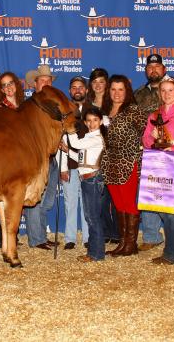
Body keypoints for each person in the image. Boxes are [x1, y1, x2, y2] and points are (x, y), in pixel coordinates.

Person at [134, 54, 174, 251]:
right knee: (153, 201)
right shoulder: (149, 108)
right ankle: (156, 238)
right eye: (164, 91)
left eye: (171, 90)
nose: (167, 94)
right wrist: (152, 137)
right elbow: (144, 136)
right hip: (154, 160)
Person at [100, 75, 148, 257]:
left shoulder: (133, 110)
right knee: (118, 205)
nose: (117, 93)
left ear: (127, 91)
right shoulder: (105, 110)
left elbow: (148, 133)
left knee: (129, 204)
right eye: (113, 89)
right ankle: (123, 242)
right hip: (110, 162)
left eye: (121, 89)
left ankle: (131, 244)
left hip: (128, 162)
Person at [23, 65, 59, 250]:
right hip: (36, 159)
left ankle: (41, 236)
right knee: (35, 199)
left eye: (48, 81)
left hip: (53, 159)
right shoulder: (29, 106)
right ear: (35, 84)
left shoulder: (55, 107)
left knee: (47, 201)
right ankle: (36, 239)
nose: (45, 84)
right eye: (42, 81)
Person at [64, 107, 106, 262]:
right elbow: (81, 157)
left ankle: (96, 254)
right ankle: (95, 252)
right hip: (88, 178)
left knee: (92, 217)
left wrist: (70, 127)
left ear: (100, 121)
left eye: (95, 120)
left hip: (92, 179)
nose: (92, 123)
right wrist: (67, 150)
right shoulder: (90, 137)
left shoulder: (96, 137)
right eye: (89, 120)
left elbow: (77, 144)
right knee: (91, 217)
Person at [0, 71, 25, 247]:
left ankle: (12, 237)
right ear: (1, 90)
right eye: (4, 85)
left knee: (16, 198)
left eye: (10, 83)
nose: (8, 87)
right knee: (6, 197)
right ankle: (3, 238)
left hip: (23, 158)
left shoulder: (26, 107)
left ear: (16, 84)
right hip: (6, 159)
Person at [86, 68, 119, 244]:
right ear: (91, 85)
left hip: (112, 155)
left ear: (107, 84)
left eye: (101, 82)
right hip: (92, 158)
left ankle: (118, 232)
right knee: (101, 199)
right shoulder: (87, 104)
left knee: (114, 196)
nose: (98, 85)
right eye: (95, 82)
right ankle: (107, 232)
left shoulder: (113, 103)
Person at [58, 76, 90, 250]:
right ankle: (70, 238)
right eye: (74, 88)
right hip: (69, 163)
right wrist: (63, 167)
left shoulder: (92, 111)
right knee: (70, 202)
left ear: (85, 90)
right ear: (70, 91)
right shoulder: (65, 111)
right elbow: (62, 140)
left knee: (86, 202)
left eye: (80, 87)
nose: (77, 90)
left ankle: (87, 237)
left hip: (88, 164)